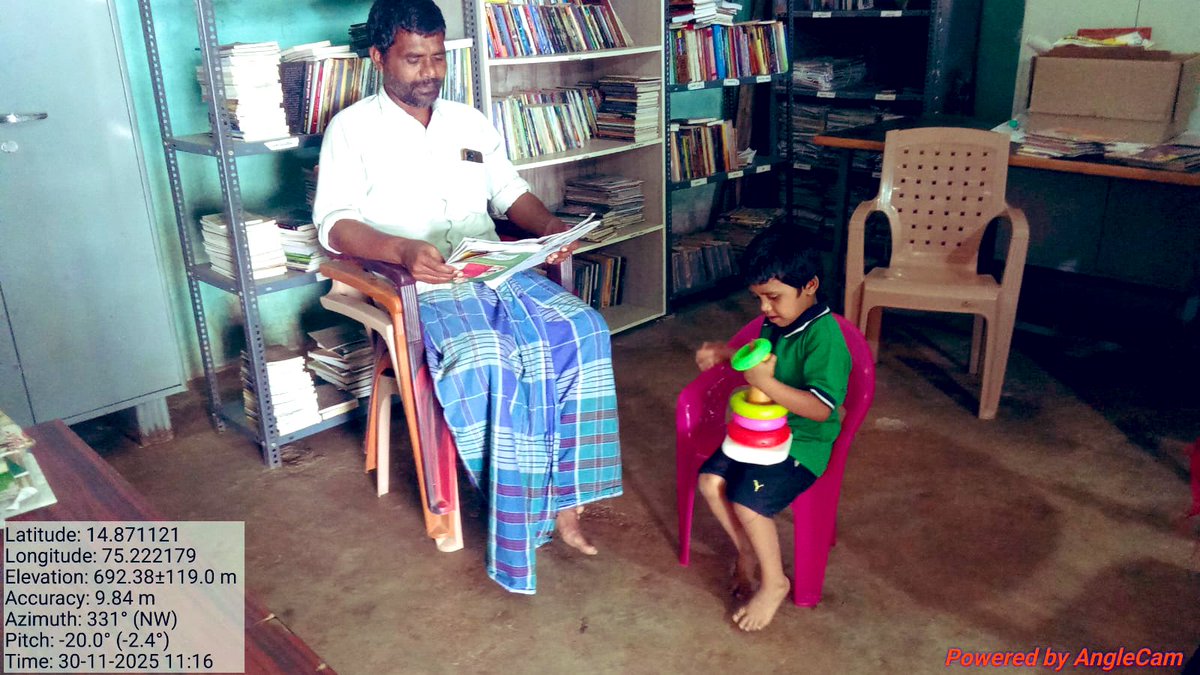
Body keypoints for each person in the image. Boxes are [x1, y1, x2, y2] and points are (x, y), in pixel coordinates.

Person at [312, 0, 621, 594]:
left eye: (437, 57)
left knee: (583, 330)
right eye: (412, 58)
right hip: (418, 282)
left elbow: (507, 193)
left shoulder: (468, 121)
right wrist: (402, 252)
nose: (428, 71)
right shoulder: (352, 130)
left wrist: (549, 228)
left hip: (493, 268)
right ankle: (517, 521)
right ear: (379, 56)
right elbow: (334, 224)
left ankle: (568, 502)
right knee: (489, 359)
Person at [693, 228, 850, 631]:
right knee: (710, 482)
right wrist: (726, 353)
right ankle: (746, 551)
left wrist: (765, 385)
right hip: (764, 434)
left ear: (810, 285)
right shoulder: (779, 322)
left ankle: (775, 581)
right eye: (759, 297)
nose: (764, 308)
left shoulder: (824, 337)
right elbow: (763, 359)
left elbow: (819, 410)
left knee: (747, 500)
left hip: (805, 443)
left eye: (774, 296)